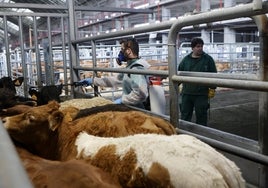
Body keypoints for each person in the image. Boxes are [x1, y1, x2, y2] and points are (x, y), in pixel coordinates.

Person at [74, 38, 150, 109]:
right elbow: (115, 80)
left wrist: (122, 101)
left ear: (128, 51)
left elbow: (140, 95)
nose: (120, 53)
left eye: (122, 49)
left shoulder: (136, 69)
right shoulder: (130, 67)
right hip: (131, 107)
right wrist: (93, 81)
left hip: (138, 110)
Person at [178, 37, 217, 126]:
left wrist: (213, 88)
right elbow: (179, 73)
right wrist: (175, 85)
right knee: (185, 115)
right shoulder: (186, 60)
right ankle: (184, 133)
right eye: (198, 46)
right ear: (192, 48)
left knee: (202, 116)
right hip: (187, 93)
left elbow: (214, 74)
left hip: (201, 94)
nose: (200, 48)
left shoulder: (208, 59)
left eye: (201, 46)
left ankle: (201, 134)